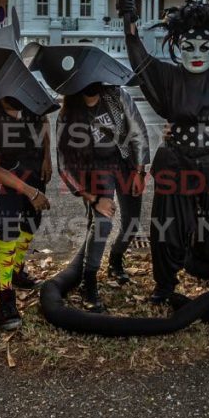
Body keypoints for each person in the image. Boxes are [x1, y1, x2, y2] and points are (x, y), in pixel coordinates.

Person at [118, 0, 209, 304]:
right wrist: (130, 26)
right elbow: (141, 60)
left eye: (204, 47)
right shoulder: (169, 76)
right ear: (179, 46)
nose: (197, 54)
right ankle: (165, 286)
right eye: (189, 47)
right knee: (168, 227)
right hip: (178, 163)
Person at [57, 80, 149, 312]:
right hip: (95, 168)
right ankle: (89, 283)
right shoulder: (68, 113)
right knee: (101, 224)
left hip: (124, 161)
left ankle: (116, 260)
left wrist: (139, 171)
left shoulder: (116, 96)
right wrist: (93, 198)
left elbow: (137, 131)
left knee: (131, 223)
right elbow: (64, 165)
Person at [0, 95, 52, 331]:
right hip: (9, 179)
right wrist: (30, 192)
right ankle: (6, 294)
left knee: (32, 223)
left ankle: (17, 270)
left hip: (36, 168)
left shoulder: (30, 98)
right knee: (8, 230)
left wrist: (48, 157)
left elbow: (45, 120)